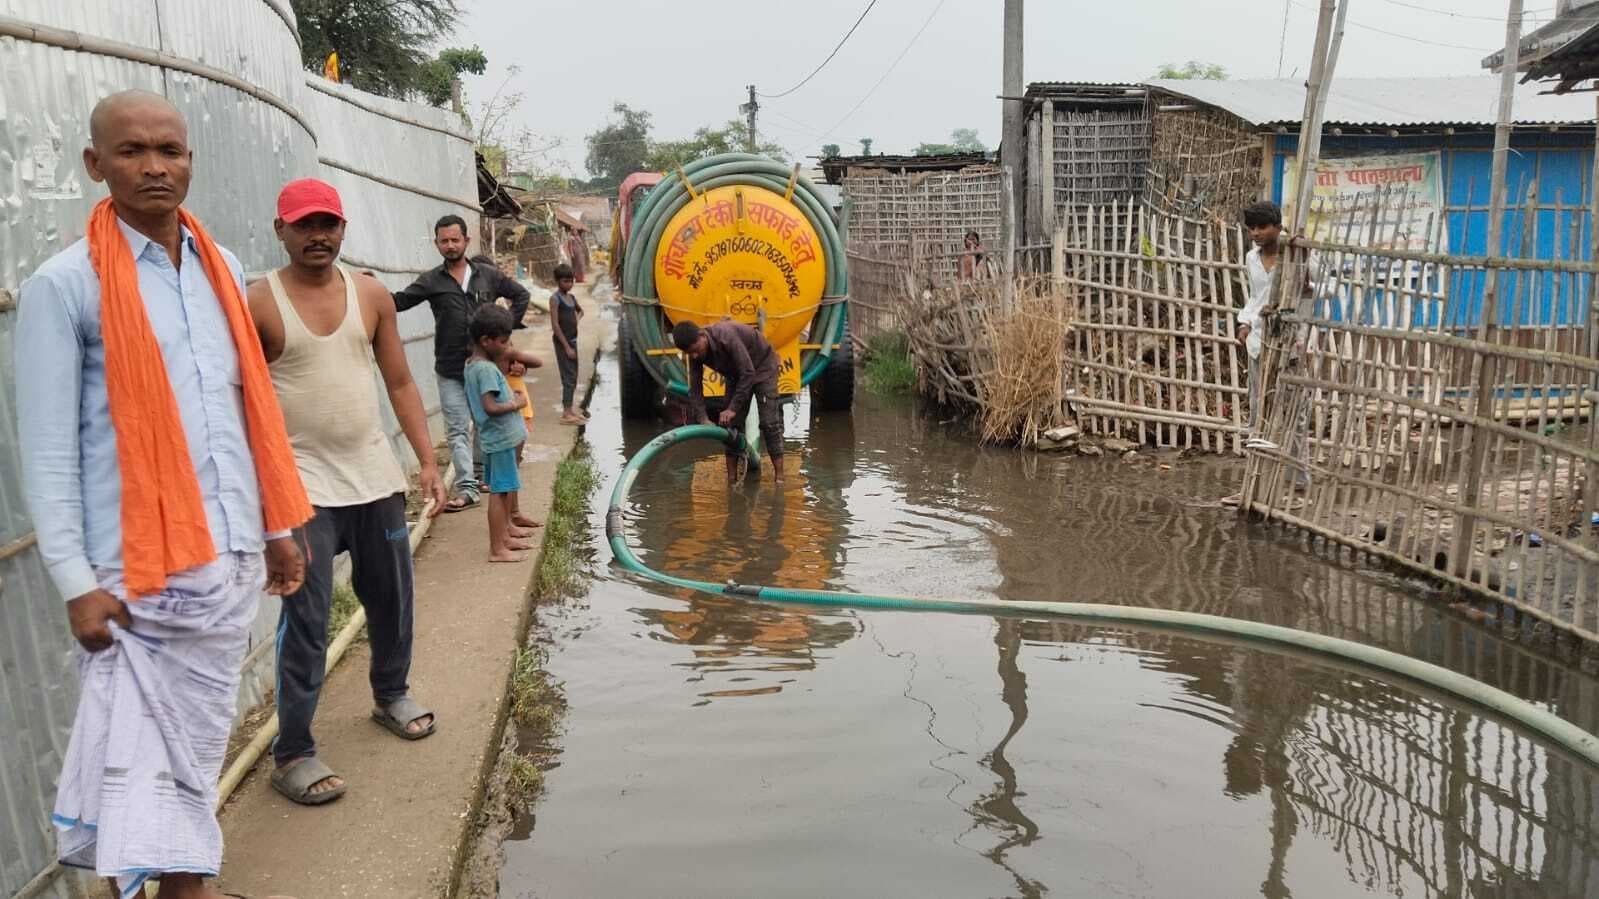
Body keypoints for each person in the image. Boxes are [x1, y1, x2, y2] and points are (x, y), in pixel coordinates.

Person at [16, 90, 309, 899]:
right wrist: (77, 583)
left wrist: (277, 526)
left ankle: (185, 887)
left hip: (224, 564)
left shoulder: (221, 275)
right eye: (132, 151)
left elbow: (240, 416)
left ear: (190, 161)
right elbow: (45, 452)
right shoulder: (64, 286)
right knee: (132, 764)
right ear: (95, 165)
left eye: (169, 151)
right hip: (133, 580)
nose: (154, 167)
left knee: (194, 748)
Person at [246, 178, 448, 806]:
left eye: (328, 224)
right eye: (305, 225)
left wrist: (425, 460)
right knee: (305, 623)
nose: (319, 236)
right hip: (302, 485)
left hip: (372, 476)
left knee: (391, 598)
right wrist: (261, 500)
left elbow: (400, 383)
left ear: (343, 228)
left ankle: (390, 694)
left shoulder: (370, 295)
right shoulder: (259, 302)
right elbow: (244, 405)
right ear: (281, 230)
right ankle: (294, 752)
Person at [392, 215, 535, 512]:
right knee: (457, 429)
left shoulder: (488, 275)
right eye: (444, 241)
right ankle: (468, 487)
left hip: (485, 369)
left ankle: (488, 478)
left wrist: (507, 336)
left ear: (466, 241)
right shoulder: (432, 281)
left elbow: (520, 295)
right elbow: (400, 301)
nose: (450, 245)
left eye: (455, 239)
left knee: (488, 423)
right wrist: (367, 291)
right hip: (450, 367)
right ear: (437, 244)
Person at [672, 319, 786, 484]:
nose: (695, 356)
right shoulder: (694, 353)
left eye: (696, 350)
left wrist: (732, 408)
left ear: (702, 336)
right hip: (735, 374)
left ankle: (779, 479)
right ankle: (731, 480)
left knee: (769, 423)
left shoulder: (726, 336)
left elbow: (748, 373)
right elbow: (695, 389)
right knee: (730, 426)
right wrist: (703, 418)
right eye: (690, 353)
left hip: (763, 368)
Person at [463, 305, 534, 562]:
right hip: (500, 439)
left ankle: (504, 536)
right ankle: (497, 549)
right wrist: (516, 403)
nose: (506, 347)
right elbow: (490, 406)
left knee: (502, 490)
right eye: (503, 342)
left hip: (499, 439)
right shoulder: (484, 370)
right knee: (499, 492)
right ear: (486, 341)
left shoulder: (476, 365)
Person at [550, 263, 588, 425]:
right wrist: (566, 347)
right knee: (568, 377)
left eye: (571, 281)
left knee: (573, 375)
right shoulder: (555, 299)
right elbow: (555, 325)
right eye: (565, 281)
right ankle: (566, 413)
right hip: (562, 342)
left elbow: (581, 311)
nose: (569, 284)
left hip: (573, 340)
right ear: (558, 281)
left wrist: (575, 321)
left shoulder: (571, 298)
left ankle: (570, 409)